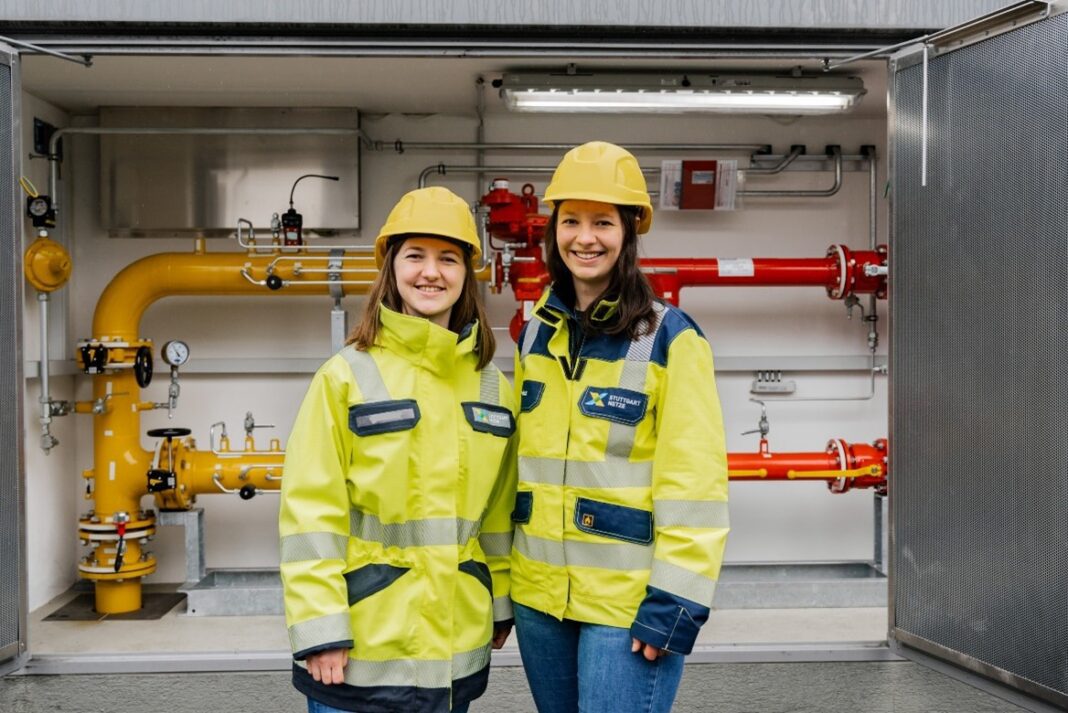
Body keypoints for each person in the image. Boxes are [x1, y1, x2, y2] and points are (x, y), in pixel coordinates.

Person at [279, 186, 517, 713]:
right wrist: (321, 627)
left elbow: (498, 513)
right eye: (415, 256)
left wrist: (499, 601)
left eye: (448, 258)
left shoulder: (492, 389)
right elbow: (310, 512)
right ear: (391, 267)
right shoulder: (345, 377)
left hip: (453, 648)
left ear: (467, 273)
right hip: (359, 648)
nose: (431, 272)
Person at [510, 141, 729, 713]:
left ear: (629, 232)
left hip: (626, 608)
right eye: (572, 221)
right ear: (553, 229)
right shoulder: (535, 334)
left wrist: (673, 603)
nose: (585, 238)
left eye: (603, 222)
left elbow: (696, 487)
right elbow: (517, 471)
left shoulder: (671, 339)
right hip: (539, 603)